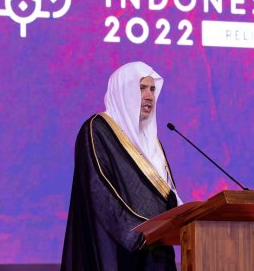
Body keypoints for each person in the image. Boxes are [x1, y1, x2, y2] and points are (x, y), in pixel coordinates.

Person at [61, 61, 180, 271]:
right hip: (118, 249)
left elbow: (166, 194)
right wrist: (137, 233)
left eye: (152, 89)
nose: (149, 96)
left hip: (156, 251)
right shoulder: (97, 129)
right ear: (123, 90)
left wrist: (185, 218)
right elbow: (99, 191)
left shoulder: (151, 141)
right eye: (142, 88)